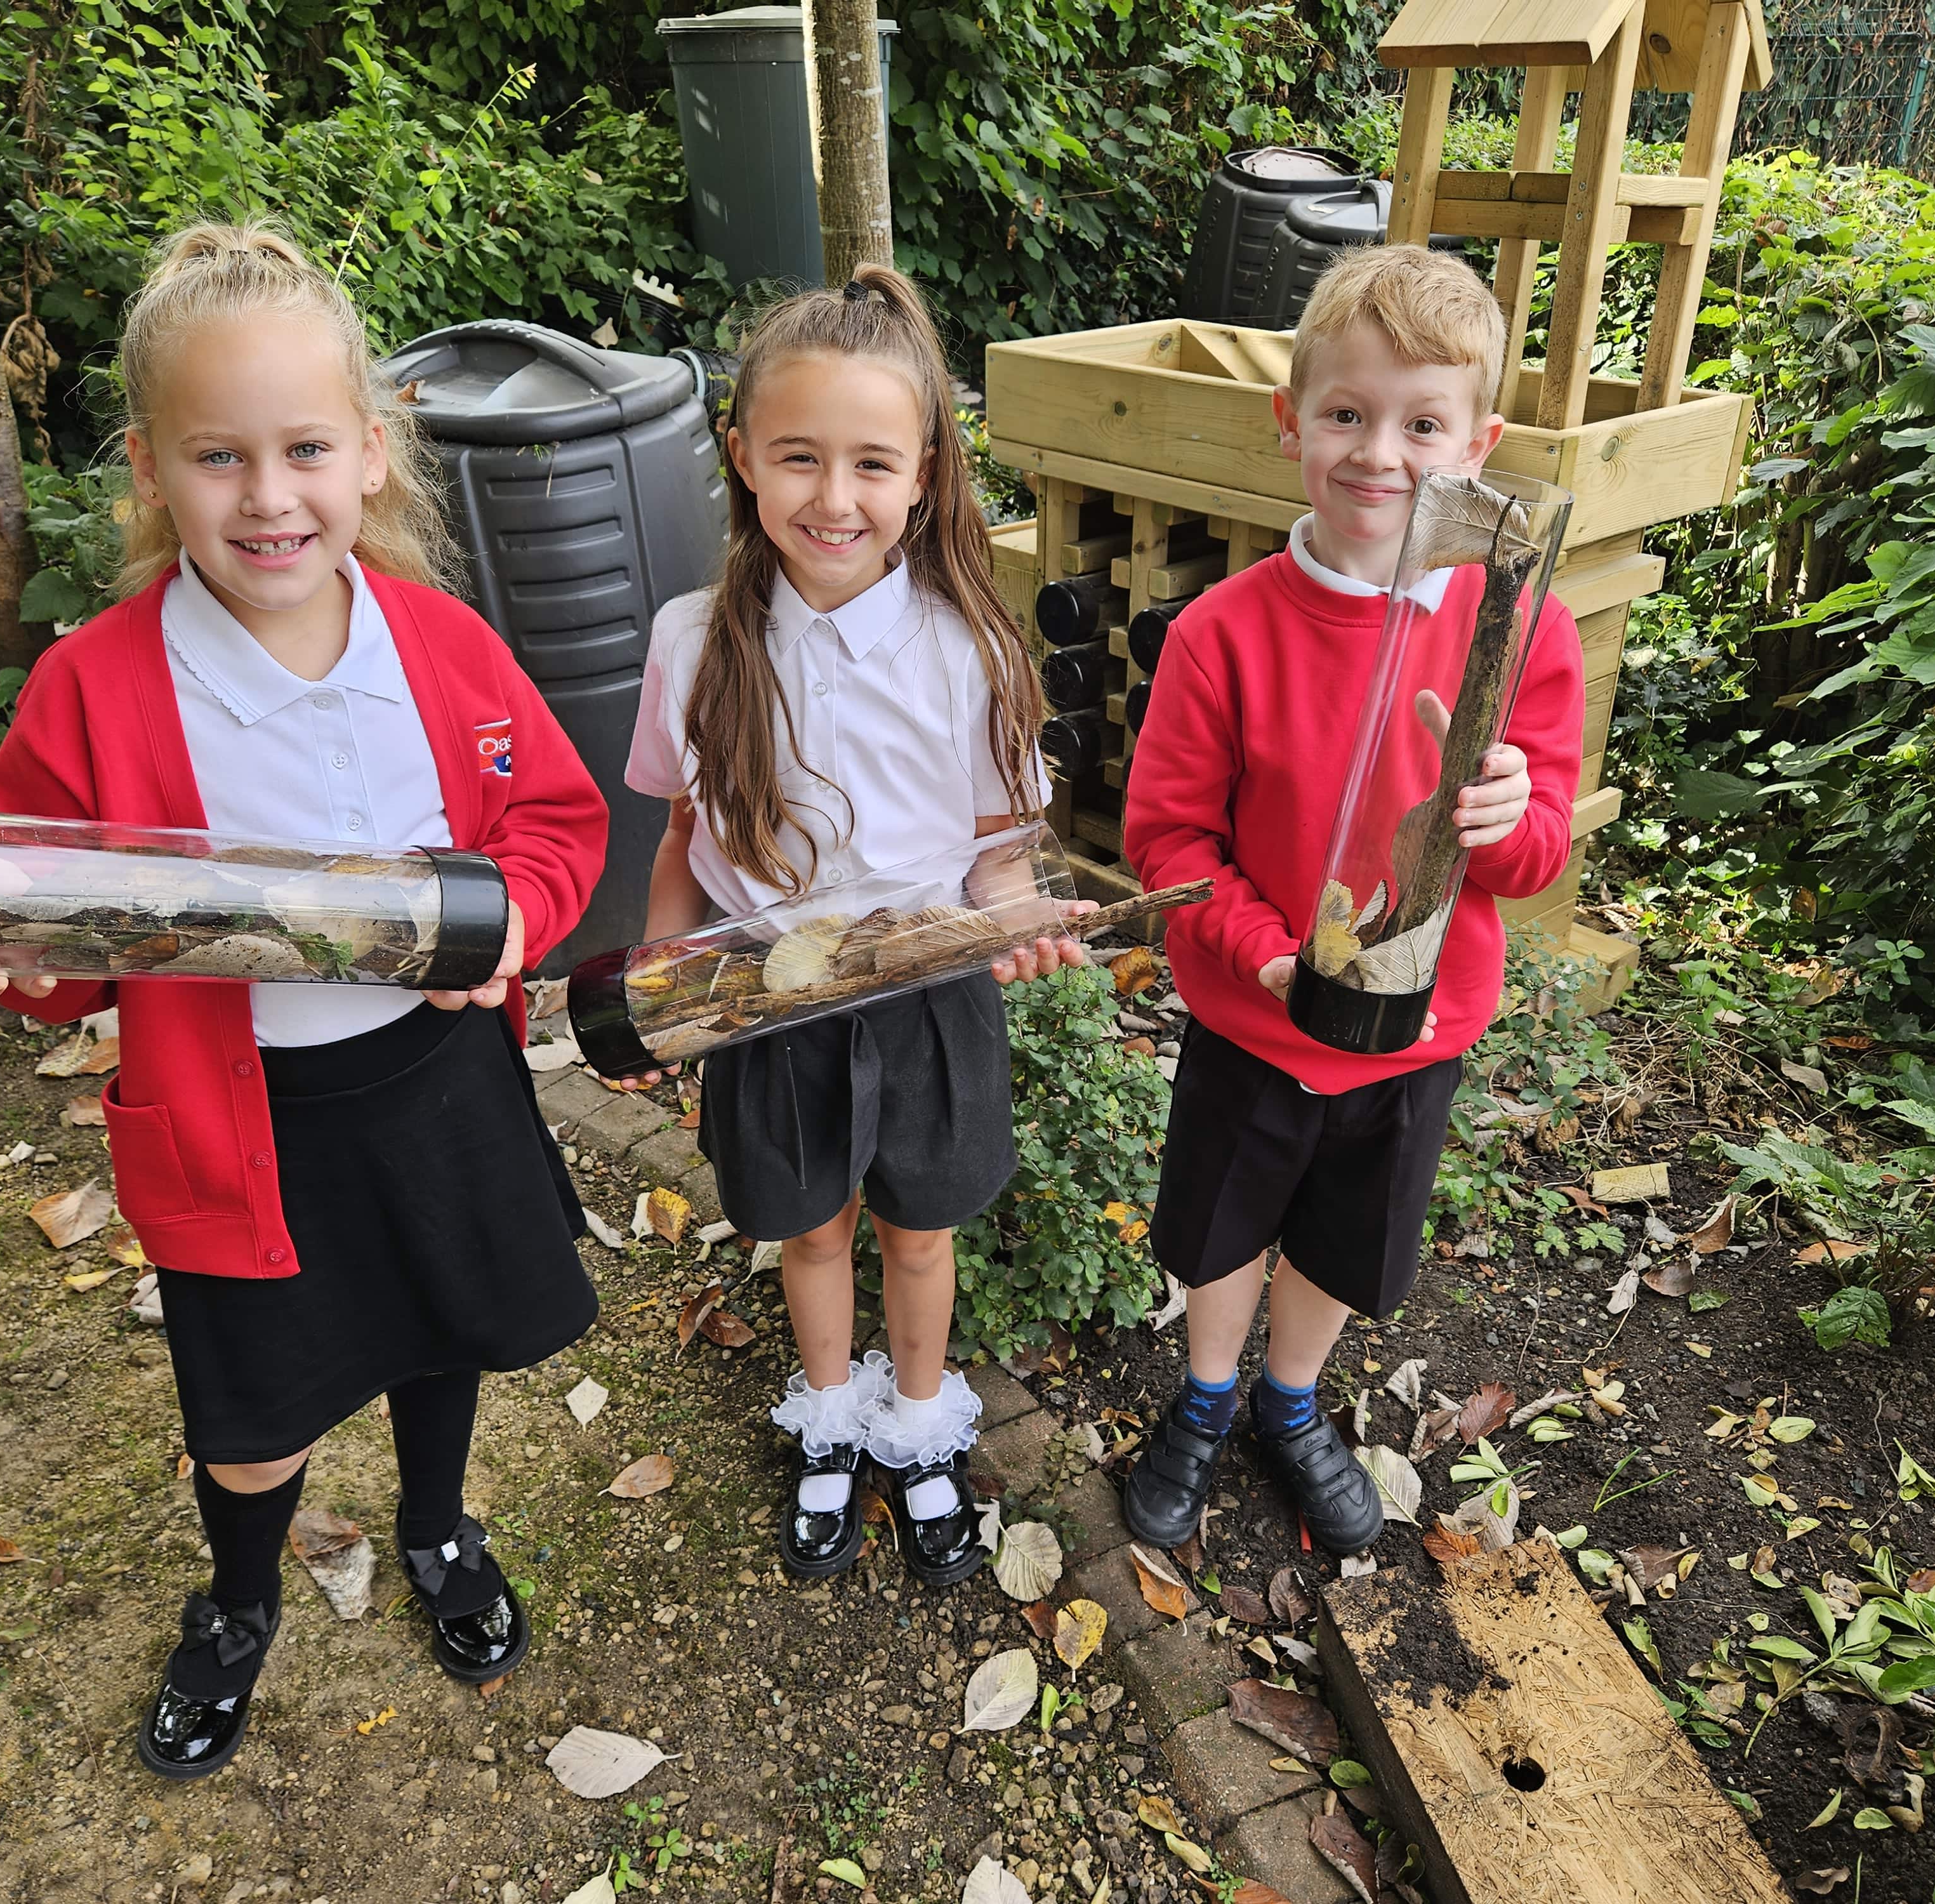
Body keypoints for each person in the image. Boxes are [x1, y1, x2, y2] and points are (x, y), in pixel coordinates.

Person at [0, 221, 611, 1780]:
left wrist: (510, 930)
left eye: (303, 448)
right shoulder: (94, 689)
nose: (268, 496)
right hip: (237, 1126)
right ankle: (237, 1606)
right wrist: (14, 960)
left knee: (438, 1334)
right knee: (254, 1405)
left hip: (432, 1092)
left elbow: (553, 828)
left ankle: (435, 1533)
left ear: (370, 454)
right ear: (152, 473)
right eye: (218, 456)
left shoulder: (441, 650)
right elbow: (58, 941)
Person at [1119, 244, 1585, 1556]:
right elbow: (1167, 843)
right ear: (1291, 423)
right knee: (1220, 1223)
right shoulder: (1222, 631)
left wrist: (1497, 824)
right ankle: (1206, 1399)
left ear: (1478, 444)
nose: (1380, 454)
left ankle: (1288, 1401)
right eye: (1346, 414)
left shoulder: (1516, 628)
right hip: (1256, 1016)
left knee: (1338, 1234)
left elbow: (1543, 845)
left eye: (1422, 425)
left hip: (1412, 1031)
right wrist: (1263, 955)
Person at [623, 265, 1079, 1587]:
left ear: (925, 472)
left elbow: (998, 856)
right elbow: (676, 842)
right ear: (741, 459)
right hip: (769, 1001)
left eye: (872, 463)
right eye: (799, 458)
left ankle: (919, 1431)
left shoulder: (972, 649)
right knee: (810, 1228)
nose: (834, 498)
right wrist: (665, 990)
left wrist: (1019, 919)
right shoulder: (688, 645)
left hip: (928, 996)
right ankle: (829, 1419)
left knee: (917, 1232)